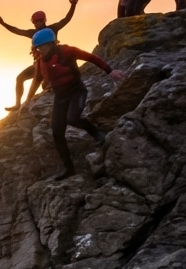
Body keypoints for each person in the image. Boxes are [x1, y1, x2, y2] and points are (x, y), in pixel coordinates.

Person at [25, 28, 126, 180]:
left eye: (42, 47)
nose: (40, 51)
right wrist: (28, 99)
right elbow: (37, 80)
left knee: (72, 118)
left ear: (51, 44)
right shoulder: (41, 62)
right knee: (57, 132)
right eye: (38, 48)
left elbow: (91, 57)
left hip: (76, 91)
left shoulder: (67, 51)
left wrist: (110, 71)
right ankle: (68, 168)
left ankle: (96, 133)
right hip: (60, 97)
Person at [0, 0, 79, 110]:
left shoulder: (52, 29)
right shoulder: (33, 33)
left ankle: (49, 88)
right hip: (38, 65)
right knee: (20, 78)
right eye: (35, 22)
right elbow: (16, 30)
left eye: (39, 21)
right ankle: (18, 104)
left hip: (53, 63)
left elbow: (66, 19)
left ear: (44, 20)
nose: (37, 23)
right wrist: (3, 23)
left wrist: (73, 5)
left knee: (45, 83)